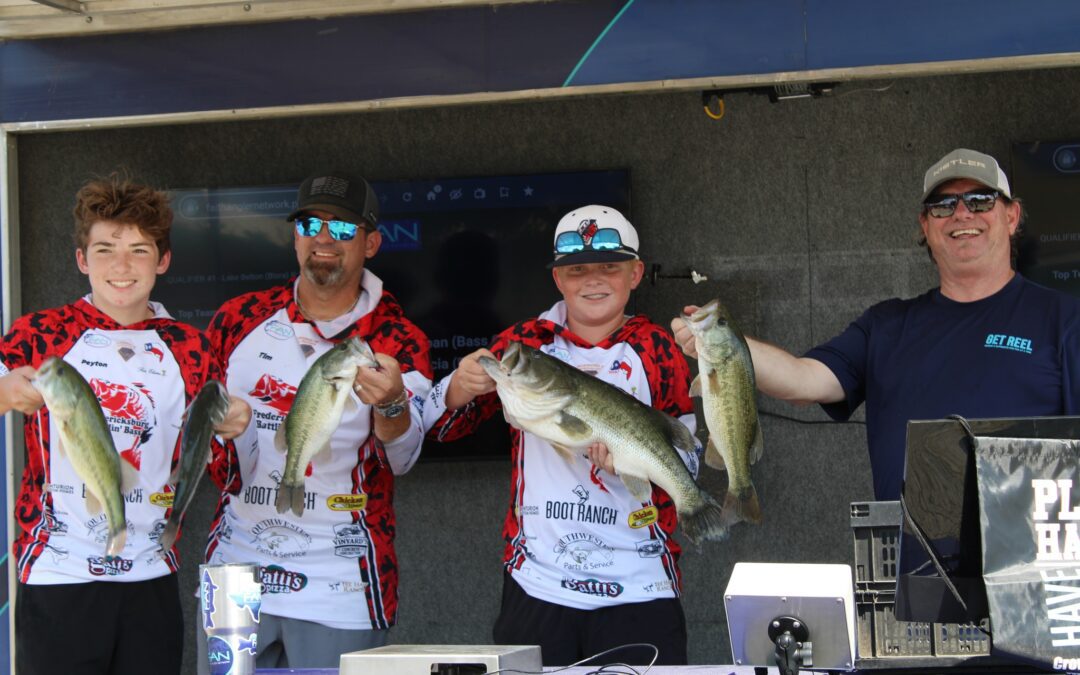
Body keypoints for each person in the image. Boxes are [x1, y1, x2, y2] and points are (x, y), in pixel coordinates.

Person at [673, 148, 1080, 501]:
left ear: (1011, 215)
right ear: (925, 225)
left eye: (980, 200)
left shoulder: (1064, 320)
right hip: (913, 568)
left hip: (1029, 572)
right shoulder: (887, 325)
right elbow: (801, 382)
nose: (961, 213)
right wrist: (721, 342)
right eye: (943, 205)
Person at [424, 205, 700, 666]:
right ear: (558, 279)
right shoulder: (522, 344)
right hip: (537, 581)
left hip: (639, 581)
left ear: (634, 274)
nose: (592, 280)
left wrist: (635, 466)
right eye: (576, 270)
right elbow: (444, 429)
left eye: (609, 267)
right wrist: (455, 389)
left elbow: (685, 458)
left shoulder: (658, 349)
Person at [0, 174, 250, 674]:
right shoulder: (39, 332)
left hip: (151, 573)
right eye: (104, 249)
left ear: (163, 261)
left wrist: (234, 421)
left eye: (138, 250)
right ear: (80, 260)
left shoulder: (191, 347)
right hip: (57, 572)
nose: (121, 266)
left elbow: (213, 451)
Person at [203, 171, 432, 670]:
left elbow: (404, 455)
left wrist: (392, 402)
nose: (324, 239)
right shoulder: (237, 319)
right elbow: (202, 442)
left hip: (343, 576)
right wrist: (219, 434)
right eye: (310, 224)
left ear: (371, 243)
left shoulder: (399, 337)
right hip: (234, 568)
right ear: (295, 236)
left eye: (344, 229)